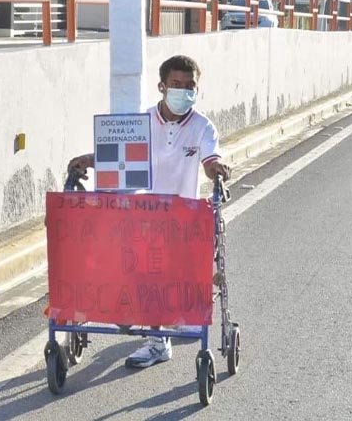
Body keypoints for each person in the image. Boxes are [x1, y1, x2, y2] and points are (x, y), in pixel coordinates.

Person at [67, 54, 231, 368]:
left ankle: (164, 329)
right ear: (161, 86)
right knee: (146, 275)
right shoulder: (140, 122)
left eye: (189, 86)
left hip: (183, 219)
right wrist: (89, 159)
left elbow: (211, 161)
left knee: (171, 278)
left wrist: (218, 169)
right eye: (176, 85)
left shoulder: (202, 127)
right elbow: (117, 155)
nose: (183, 91)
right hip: (143, 217)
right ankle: (157, 342)